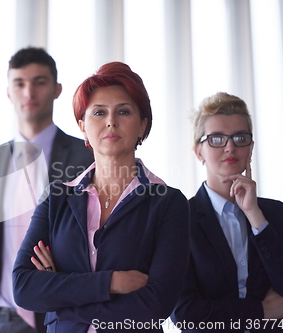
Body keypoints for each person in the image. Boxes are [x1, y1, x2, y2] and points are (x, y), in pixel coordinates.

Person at [12, 62, 190, 332]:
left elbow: (156, 306)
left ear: (142, 125)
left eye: (124, 111)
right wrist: (111, 283)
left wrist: (60, 295)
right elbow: (24, 287)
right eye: (99, 112)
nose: (111, 121)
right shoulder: (57, 198)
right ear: (82, 127)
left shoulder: (168, 203)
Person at [0, 47, 94, 333]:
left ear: (58, 89)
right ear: (8, 92)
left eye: (39, 82)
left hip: (63, 314)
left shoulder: (87, 157)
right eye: (19, 83)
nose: (28, 93)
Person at [171, 92, 283, 332]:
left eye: (240, 138)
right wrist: (261, 312)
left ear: (250, 148)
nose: (230, 147)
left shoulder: (274, 212)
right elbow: (185, 313)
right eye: (217, 139)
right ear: (198, 151)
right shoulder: (179, 218)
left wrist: (254, 215)